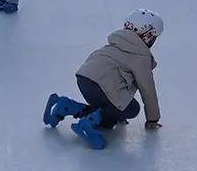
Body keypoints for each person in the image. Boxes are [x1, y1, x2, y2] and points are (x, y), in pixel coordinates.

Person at [42, 8, 165, 150]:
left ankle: (65, 106)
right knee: (132, 109)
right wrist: (152, 118)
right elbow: (147, 88)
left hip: (84, 79)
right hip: (104, 86)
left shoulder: (115, 43)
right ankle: (88, 123)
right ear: (147, 35)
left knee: (108, 118)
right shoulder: (141, 55)